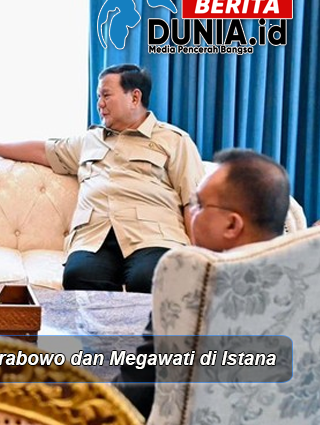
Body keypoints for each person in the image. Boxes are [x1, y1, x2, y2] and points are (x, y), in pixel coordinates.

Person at [0, 64, 205, 293]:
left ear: (134, 97)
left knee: (151, 277)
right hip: (95, 237)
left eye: (106, 95)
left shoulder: (174, 140)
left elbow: (193, 202)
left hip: (153, 235)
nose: (100, 104)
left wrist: (202, 255)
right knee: (78, 275)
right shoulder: (89, 141)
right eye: (98, 97)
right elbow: (43, 151)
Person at [115, 148, 291, 418]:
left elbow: (134, 394)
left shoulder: (190, 282)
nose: (190, 214)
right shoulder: (304, 279)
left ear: (232, 225)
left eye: (198, 205)